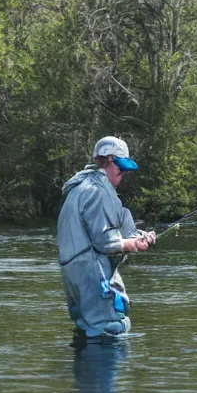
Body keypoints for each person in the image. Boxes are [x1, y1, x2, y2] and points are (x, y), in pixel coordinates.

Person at [58, 137, 156, 339]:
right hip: (93, 276)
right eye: (121, 168)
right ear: (109, 160)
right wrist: (132, 244)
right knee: (111, 329)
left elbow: (113, 222)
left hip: (74, 275)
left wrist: (137, 237)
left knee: (87, 330)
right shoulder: (98, 191)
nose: (124, 174)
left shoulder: (79, 187)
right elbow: (105, 242)